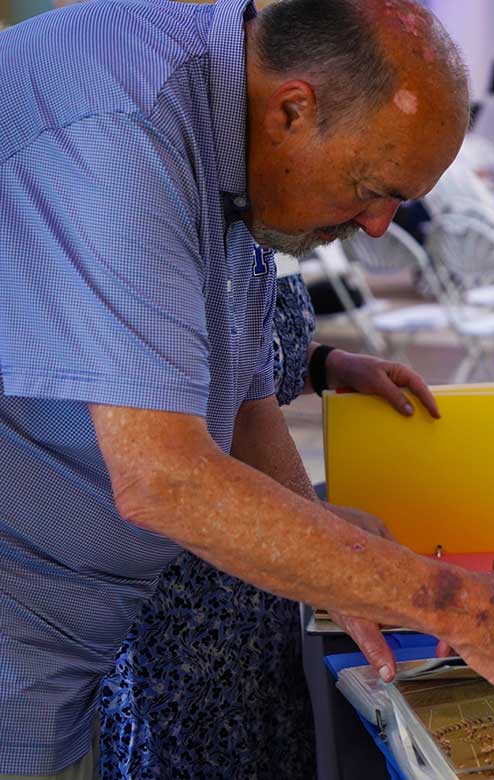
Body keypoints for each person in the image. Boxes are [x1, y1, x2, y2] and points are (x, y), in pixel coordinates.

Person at [0, 0, 494, 777]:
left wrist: (327, 553)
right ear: (293, 110)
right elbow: (163, 478)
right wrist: (458, 605)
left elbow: (239, 395)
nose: (379, 227)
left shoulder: (228, 123)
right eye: (373, 187)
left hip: (66, 634)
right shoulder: (125, 125)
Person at [97, 267, 427, 779]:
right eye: (369, 192)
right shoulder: (145, 224)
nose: (376, 225)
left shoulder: (239, 227)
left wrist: (325, 364)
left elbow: (248, 378)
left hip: (260, 584)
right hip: (184, 607)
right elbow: (175, 462)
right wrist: (322, 533)